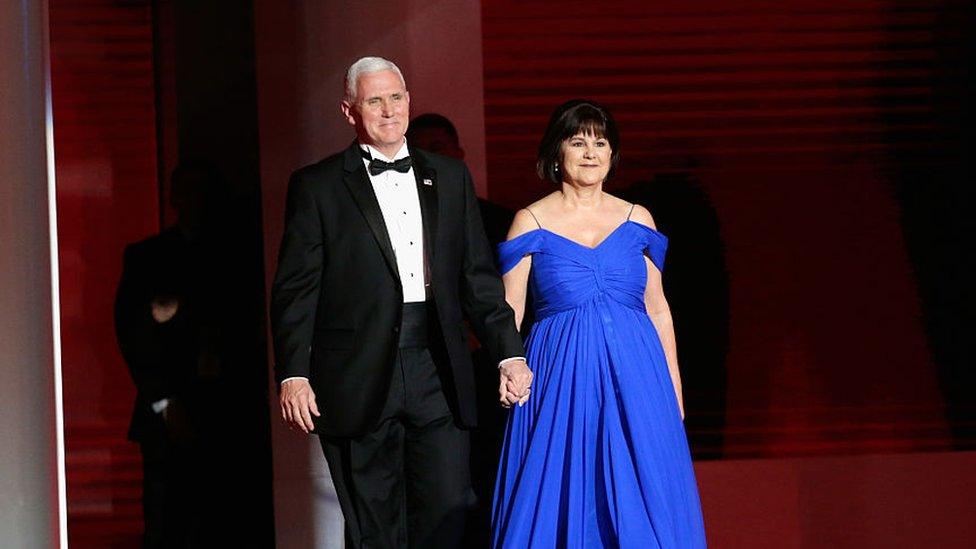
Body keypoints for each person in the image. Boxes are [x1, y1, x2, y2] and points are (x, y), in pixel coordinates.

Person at [270, 56, 531, 548]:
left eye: (396, 97)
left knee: (448, 513)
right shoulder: (318, 185)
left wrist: (509, 352)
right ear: (350, 111)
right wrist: (294, 372)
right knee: (375, 529)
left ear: (409, 101)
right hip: (356, 372)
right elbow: (295, 288)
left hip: (438, 366)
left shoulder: (450, 178)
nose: (388, 110)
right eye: (374, 100)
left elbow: (477, 279)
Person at [491, 99, 706, 547]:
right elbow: (507, 310)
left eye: (600, 142)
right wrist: (505, 366)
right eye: (578, 141)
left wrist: (675, 387)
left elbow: (659, 308)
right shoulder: (530, 220)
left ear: (612, 154)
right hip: (560, 381)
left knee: (646, 493)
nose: (590, 152)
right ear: (557, 152)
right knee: (565, 490)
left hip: (639, 379)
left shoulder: (636, 219)